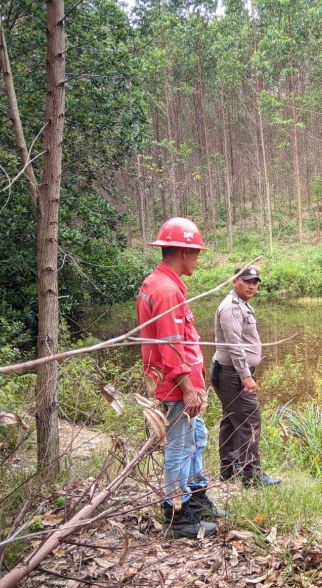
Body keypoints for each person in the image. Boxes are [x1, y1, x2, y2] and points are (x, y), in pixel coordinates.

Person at [137, 217, 226, 539]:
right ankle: (178, 515)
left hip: (181, 384)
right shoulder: (165, 290)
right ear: (184, 252)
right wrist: (188, 388)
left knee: (196, 440)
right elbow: (170, 345)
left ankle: (196, 501)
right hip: (175, 387)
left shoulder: (163, 284)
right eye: (197, 253)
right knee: (179, 448)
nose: (198, 259)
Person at [211, 266, 281, 487]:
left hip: (229, 374)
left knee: (232, 422)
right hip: (233, 375)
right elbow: (234, 346)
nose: (252, 286)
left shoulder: (241, 306)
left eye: (255, 282)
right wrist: (245, 375)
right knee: (251, 421)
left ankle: (229, 469)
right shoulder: (231, 309)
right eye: (247, 281)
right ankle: (252, 476)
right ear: (234, 281)